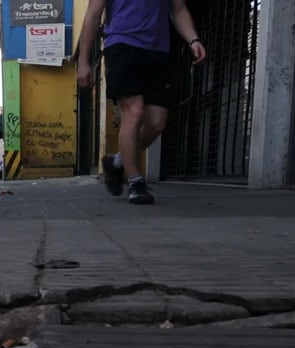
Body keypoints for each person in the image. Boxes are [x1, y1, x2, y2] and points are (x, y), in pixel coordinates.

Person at [78, 0, 207, 204]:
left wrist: (193, 40)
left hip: (158, 50)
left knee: (156, 123)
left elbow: (179, 8)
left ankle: (118, 161)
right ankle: (136, 182)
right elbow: (93, 14)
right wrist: (83, 61)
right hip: (121, 46)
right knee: (134, 111)